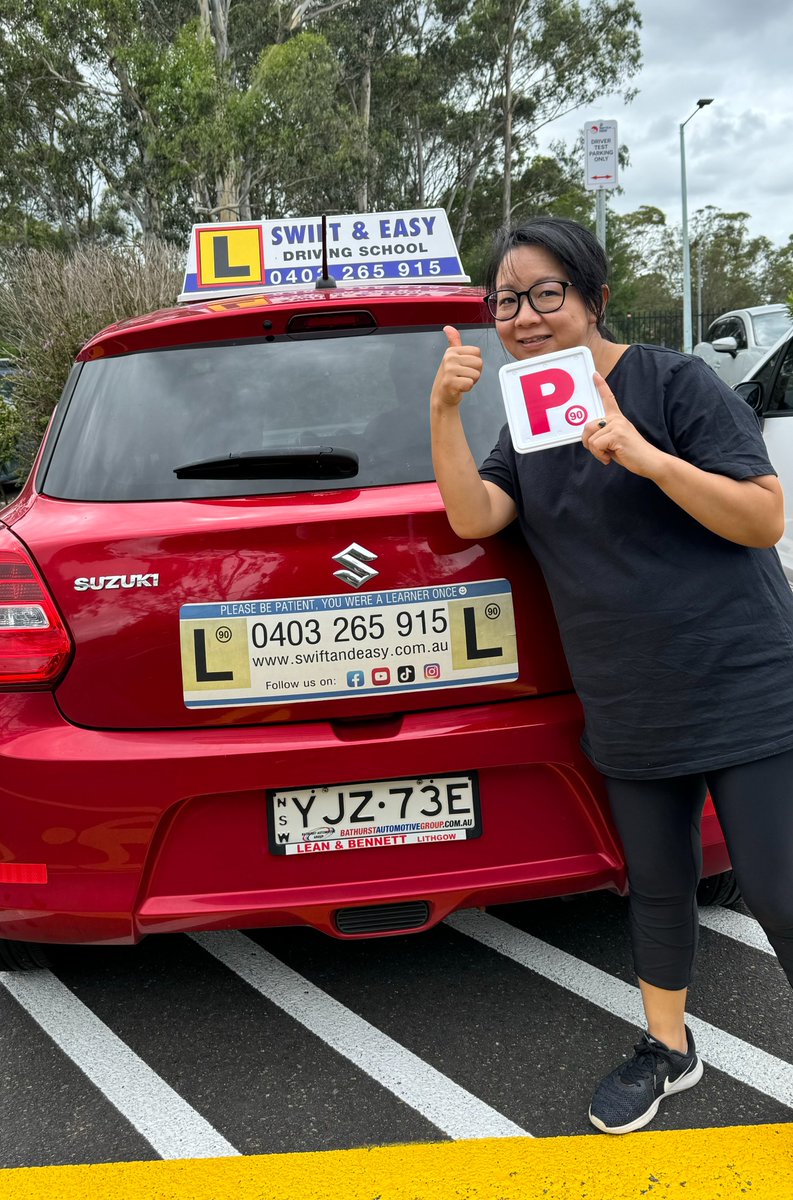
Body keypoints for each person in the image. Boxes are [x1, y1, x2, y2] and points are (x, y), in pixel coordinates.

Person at [430, 215, 793, 1135]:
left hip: (741, 677)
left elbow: (761, 518)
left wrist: (643, 455)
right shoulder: (527, 419)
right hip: (628, 695)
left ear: (592, 299)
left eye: (546, 293)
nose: (524, 315)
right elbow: (475, 516)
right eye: (506, 301)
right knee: (658, 880)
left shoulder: (672, 382)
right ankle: (668, 1050)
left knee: (778, 882)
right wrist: (441, 412)